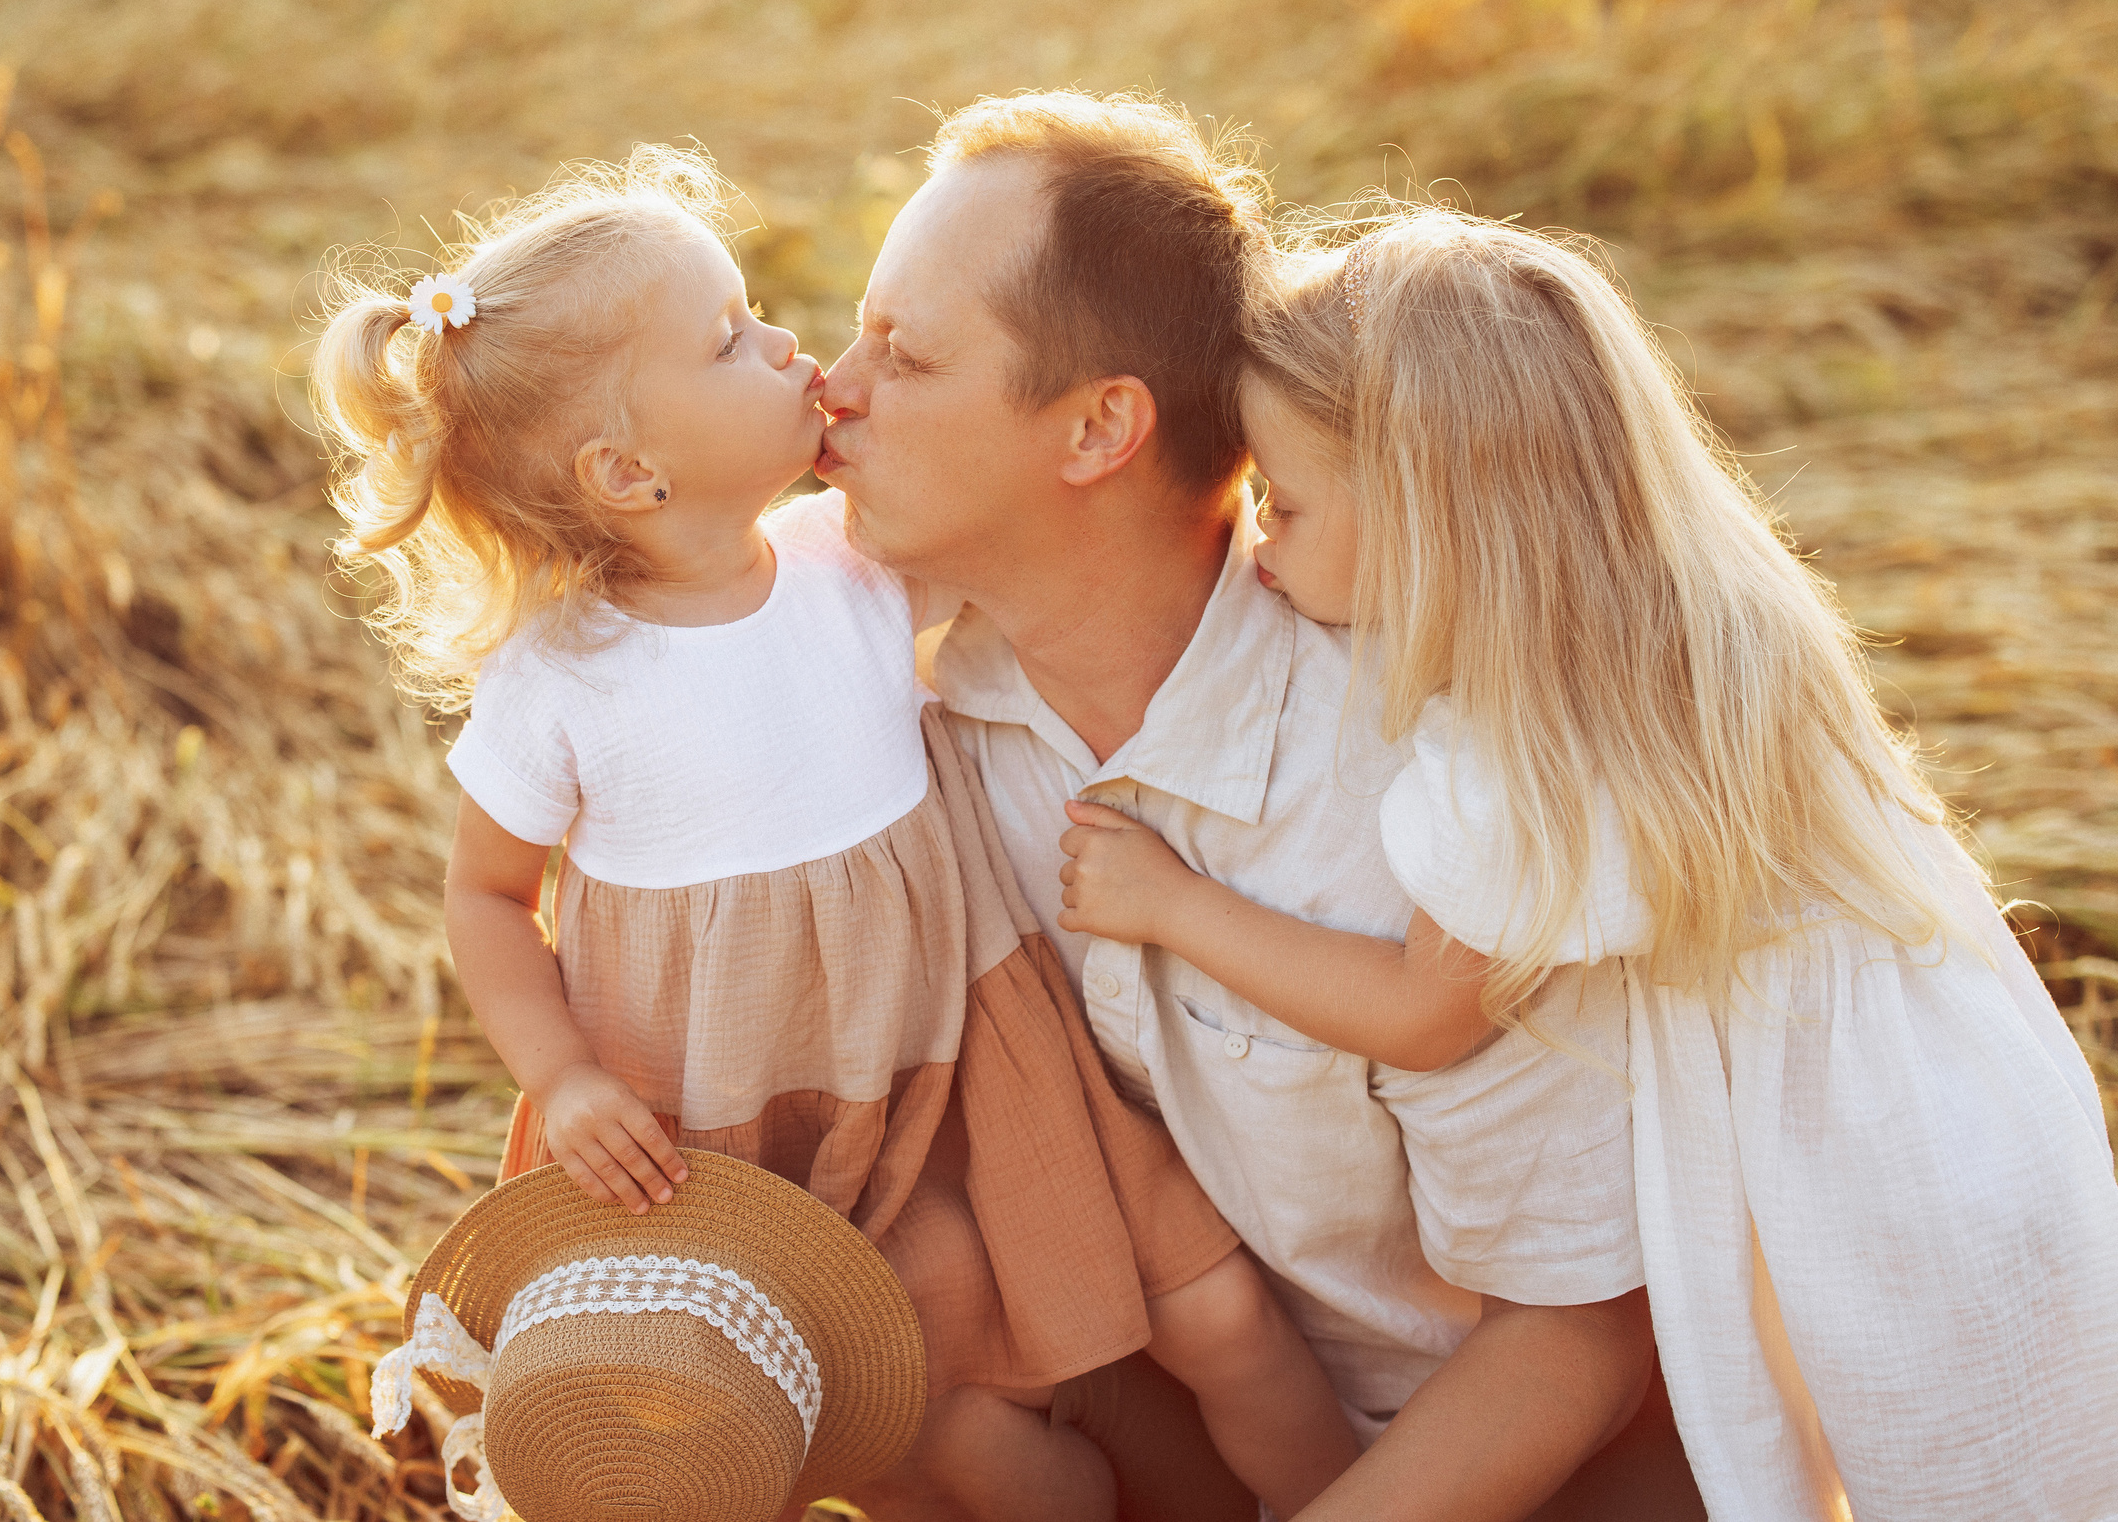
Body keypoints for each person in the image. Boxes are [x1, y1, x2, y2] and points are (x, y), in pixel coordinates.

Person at [311, 147, 1359, 1520]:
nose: (793, 349)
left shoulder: (848, 564)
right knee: (879, 1418)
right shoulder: (560, 680)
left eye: (755, 313)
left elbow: (1067, 541)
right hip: (727, 1115)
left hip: (962, 1053)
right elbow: (486, 899)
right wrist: (559, 1077)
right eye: (730, 339)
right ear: (627, 471)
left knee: (1206, 1314)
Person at [1060, 206, 2118, 1518]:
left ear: (1428, 518)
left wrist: (1173, 905)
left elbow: (1423, 1015)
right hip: (1969, 1110)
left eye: (1285, 502)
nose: (1258, 537)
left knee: (1935, 1471)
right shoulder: (1707, 621)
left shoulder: (1517, 756)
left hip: (1856, 1194)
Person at [817, 93, 1702, 1522]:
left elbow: (1575, 1336)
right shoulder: (907, 710)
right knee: (866, 1364)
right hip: (1202, 1390)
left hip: (1526, 1447)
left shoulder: (1429, 782)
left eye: (903, 355)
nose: (832, 389)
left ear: (1099, 427)